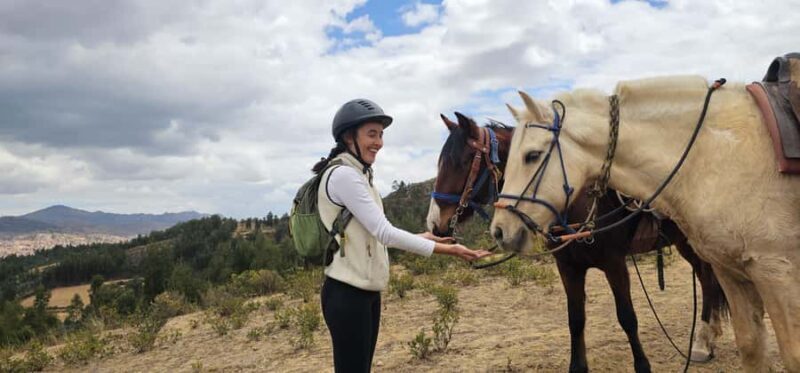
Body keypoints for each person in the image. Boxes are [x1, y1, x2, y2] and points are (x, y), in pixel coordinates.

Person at [314, 98, 491, 372]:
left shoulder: (359, 174)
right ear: (349, 136)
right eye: (371, 134)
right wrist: (451, 250)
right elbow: (385, 232)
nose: (379, 142)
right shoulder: (343, 176)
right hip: (347, 295)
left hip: (365, 292)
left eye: (381, 134)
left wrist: (425, 237)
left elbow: (372, 235)